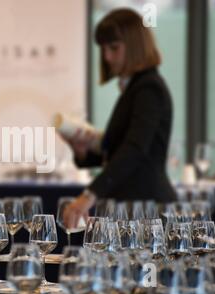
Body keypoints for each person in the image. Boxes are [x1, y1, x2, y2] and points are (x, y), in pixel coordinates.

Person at [61, 8, 177, 229]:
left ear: (135, 46)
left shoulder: (149, 88)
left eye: (113, 48)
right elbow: (118, 153)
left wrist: (90, 195)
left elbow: (135, 150)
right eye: (103, 49)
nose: (106, 57)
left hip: (148, 210)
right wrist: (82, 151)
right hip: (136, 209)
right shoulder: (136, 88)